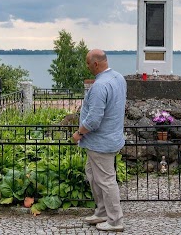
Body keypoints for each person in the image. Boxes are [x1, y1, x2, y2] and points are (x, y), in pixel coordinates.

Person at [72, 49, 127, 232]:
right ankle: (102, 211)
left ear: (96, 64)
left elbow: (94, 119)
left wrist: (79, 133)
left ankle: (115, 220)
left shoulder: (99, 86)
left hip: (101, 142)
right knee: (93, 174)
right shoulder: (119, 78)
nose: (87, 67)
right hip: (111, 138)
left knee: (105, 180)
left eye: (88, 63)